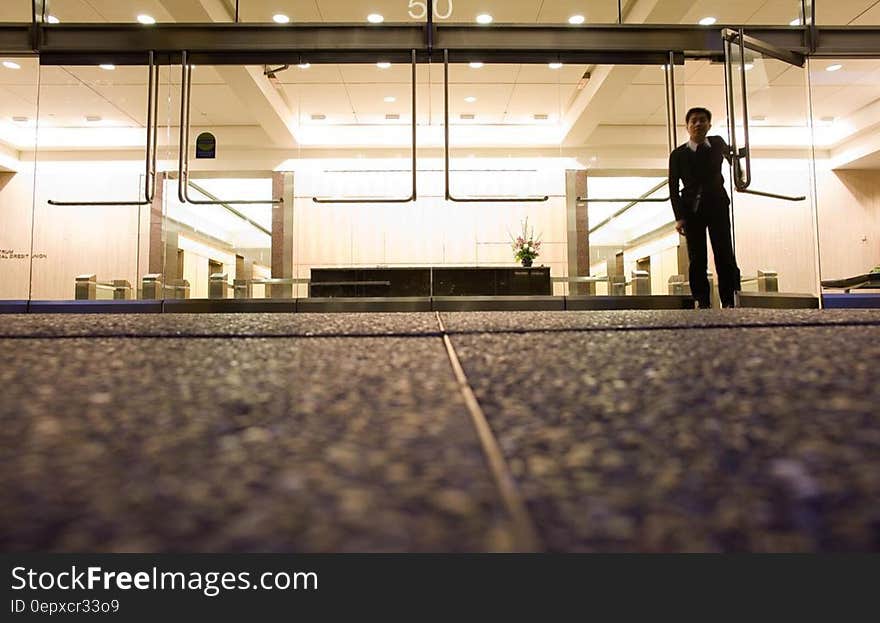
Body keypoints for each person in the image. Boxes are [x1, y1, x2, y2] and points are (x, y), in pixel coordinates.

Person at [668, 107, 741, 309]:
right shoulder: (678, 155)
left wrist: (740, 177)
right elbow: (673, 188)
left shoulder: (717, 143)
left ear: (709, 125)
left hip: (717, 205)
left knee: (724, 252)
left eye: (702, 120)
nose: (698, 124)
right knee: (697, 257)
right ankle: (702, 300)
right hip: (692, 209)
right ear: (687, 126)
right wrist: (679, 217)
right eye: (694, 121)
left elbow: (734, 159)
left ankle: (730, 299)